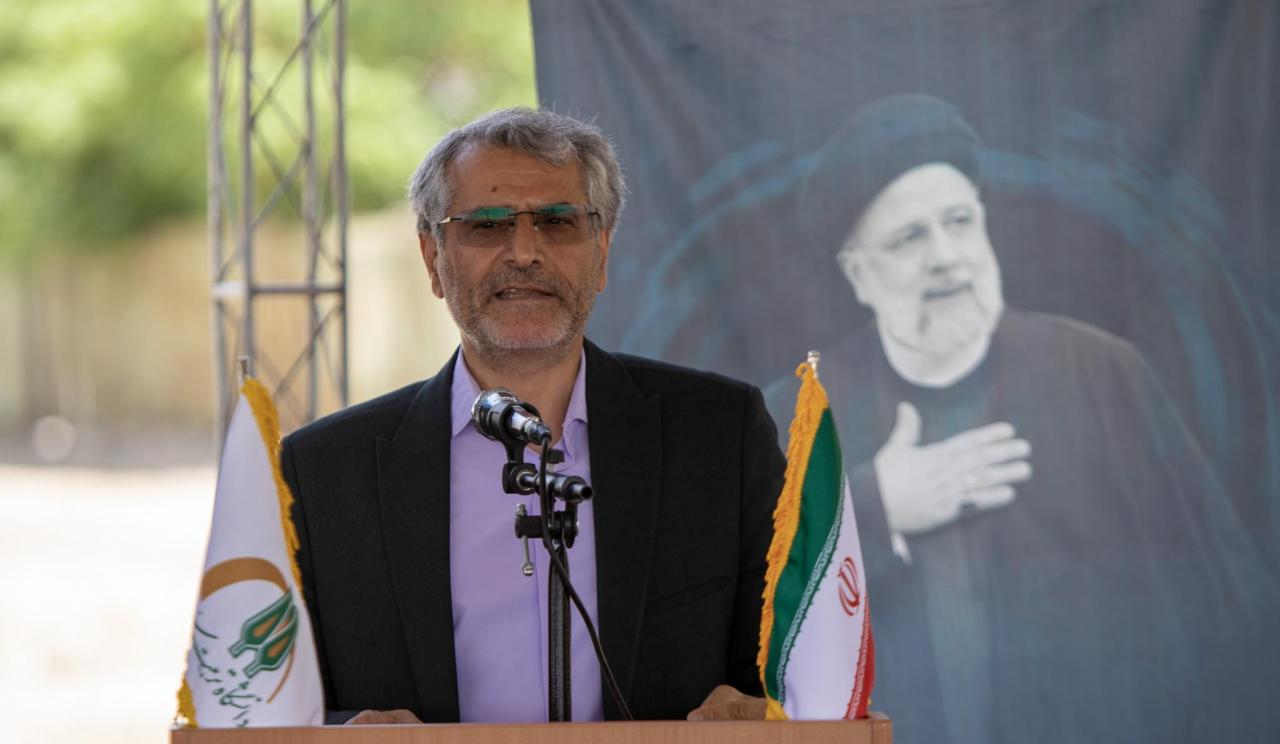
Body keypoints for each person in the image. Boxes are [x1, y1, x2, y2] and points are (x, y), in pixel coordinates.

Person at [782, 94, 1278, 743]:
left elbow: (1227, 601)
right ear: (858, 275)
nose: (946, 256)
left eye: (959, 222)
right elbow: (745, 619)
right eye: (909, 238)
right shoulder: (800, 415)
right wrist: (869, 509)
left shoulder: (1104, 374)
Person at [279, 108, 784, 725]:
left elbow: (798, 676)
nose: (524, 252)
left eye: (557, 222)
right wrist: (345, 733)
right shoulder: (322, 472)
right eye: (487, 225)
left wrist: (764, 712)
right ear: (433, 259)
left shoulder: (719, 437)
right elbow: (269, 706)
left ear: (602, 252)